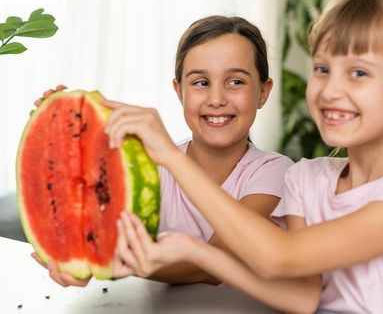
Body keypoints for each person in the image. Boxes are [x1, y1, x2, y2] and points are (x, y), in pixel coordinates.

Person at [110, 0, 383, 313]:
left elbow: (281, 257)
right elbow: (303, 296)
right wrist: (195, 251)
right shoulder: (307, 178)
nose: (330, 89)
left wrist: (169, 156)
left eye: (357, 72)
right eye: (322, 69)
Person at [31, 15, 294, 287]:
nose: (217, 99)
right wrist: (50, 136)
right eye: (201, 83)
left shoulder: (276, 172)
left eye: (235, 81)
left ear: (263, 92)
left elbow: (214, 264)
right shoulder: (152, 168)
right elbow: (86, 207)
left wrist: (106, 260)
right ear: (179, 92)